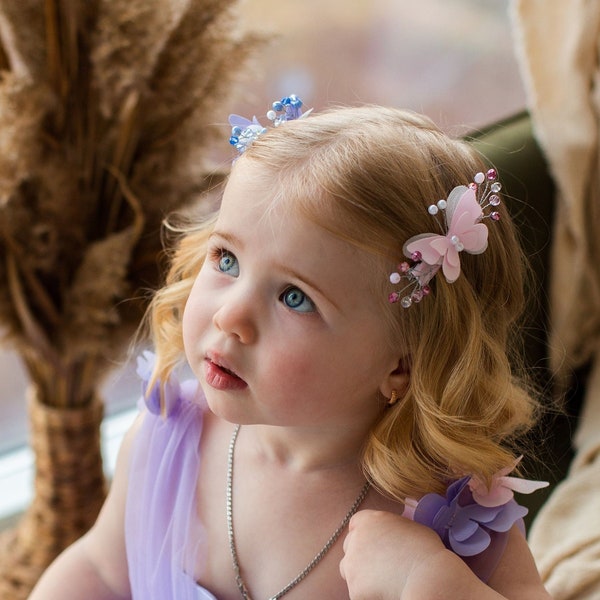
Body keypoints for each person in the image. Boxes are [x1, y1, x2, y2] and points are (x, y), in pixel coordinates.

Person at [29, 96, 551, 599]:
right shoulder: (168, 437)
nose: (229, 316)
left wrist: (430, 585)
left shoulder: (456, 514)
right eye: (227, 260)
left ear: (403, 363)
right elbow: (101, 568)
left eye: (294, 297)